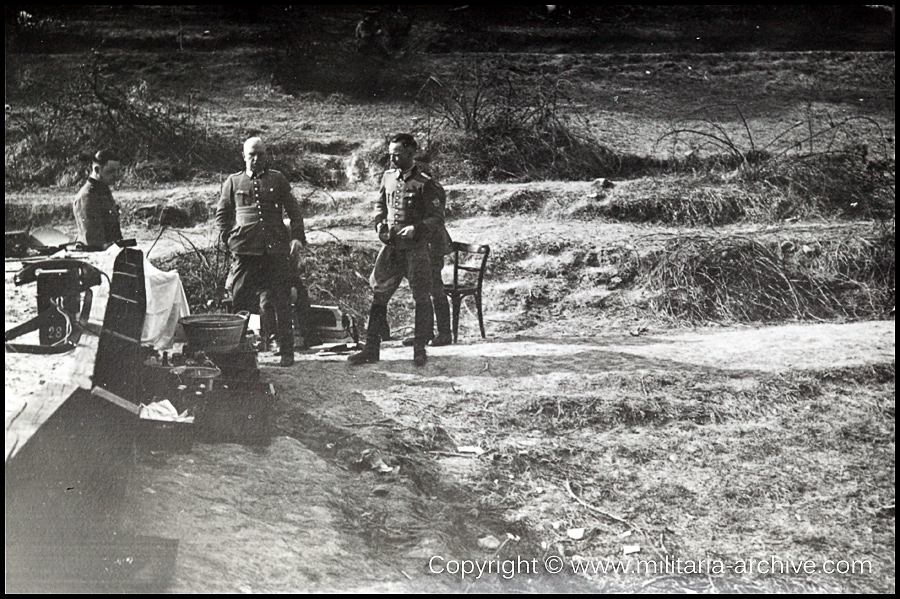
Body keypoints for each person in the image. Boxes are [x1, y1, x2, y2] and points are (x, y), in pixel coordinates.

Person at [349, 133, 446, 367]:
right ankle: (371, 349)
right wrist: (379, 223)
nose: (393, 159)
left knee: (421, 296)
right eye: (391, 154)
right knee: (379, 294)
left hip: (416, 249)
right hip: (391, 248)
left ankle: (419, 350)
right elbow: (379, 204)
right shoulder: (388, 177)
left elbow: (437, 218)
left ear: (411, 154)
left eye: (398, 154)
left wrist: (416, 228)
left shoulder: (425, 182)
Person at [216, 136, 308, 367]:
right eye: (251, 155)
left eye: (260, 154)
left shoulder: (277, 179)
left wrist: (296, 237)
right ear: (244, 156)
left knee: (282, 301)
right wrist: (229, 240)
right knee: (240, 301)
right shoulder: (233, 182)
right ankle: (237, 353)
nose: (256, 159)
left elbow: (294, 211)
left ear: (266, 156)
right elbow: (222, 215)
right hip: (245, 252)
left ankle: (286, 351)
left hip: (275, 251)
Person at [401, 173, 453, 347]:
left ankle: (445, 333)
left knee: (435, 287)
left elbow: (436, 219)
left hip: (433, 243)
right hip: (418, 243)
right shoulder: (412, 183)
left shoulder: (431, 185)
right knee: (420, 288)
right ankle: (424, 333)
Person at [73, 149, 124, 250]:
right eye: (111, 171)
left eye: (117, 171)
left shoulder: (102, 191)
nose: (116, 175)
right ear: (96, 170)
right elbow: (93, 242)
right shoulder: (87, 197)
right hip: (96, 257)